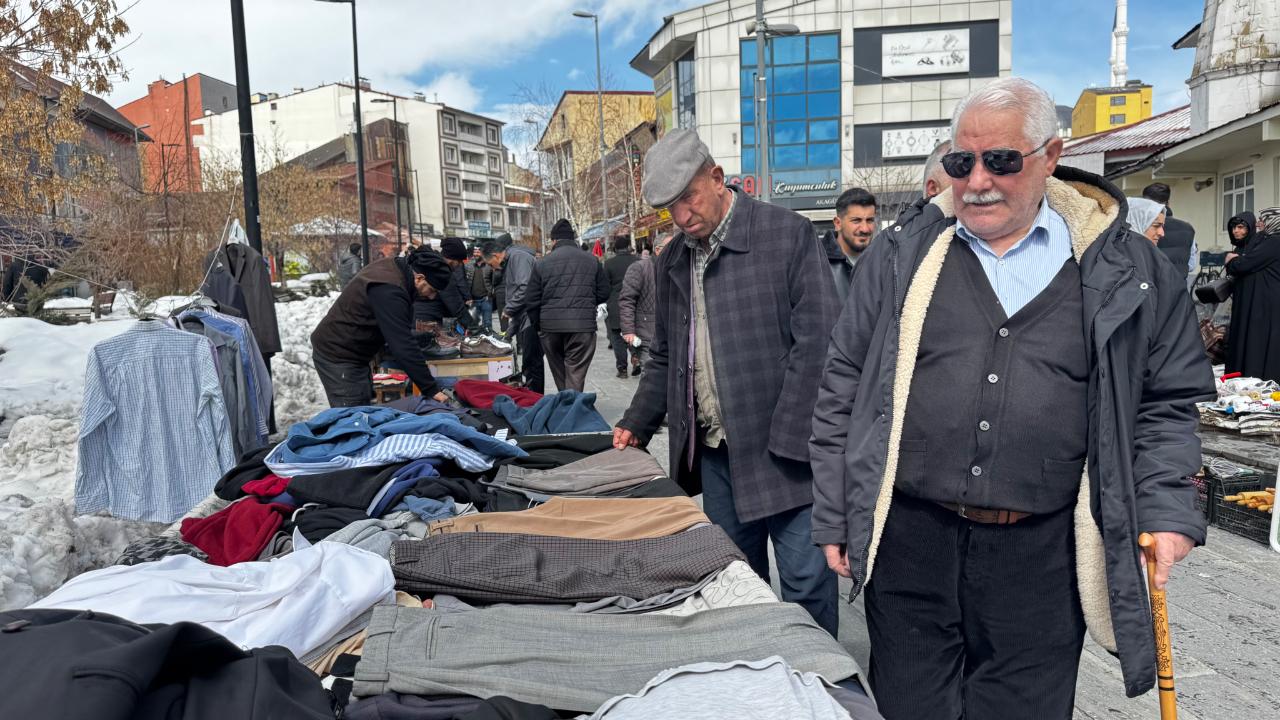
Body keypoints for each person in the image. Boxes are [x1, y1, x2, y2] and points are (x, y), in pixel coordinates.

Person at [809, 77, 1213, 718]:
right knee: (909, 704)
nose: (976, 181)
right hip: (911, 539)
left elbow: (1165, 402)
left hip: (1043, 554)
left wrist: (1166, 508)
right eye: (960, 162)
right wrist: (834, 510)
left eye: (1000, 160)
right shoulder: (900, 255)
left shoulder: (1128, 269)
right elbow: (843, 384)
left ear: (1051, 156)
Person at [614, 128, 842, 637]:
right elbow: (668, 354)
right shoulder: (675, 258)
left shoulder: (786, 233)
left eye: (689, 198)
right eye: (670, 208)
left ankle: (823, 686)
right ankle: (759, 680)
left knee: (805, 582)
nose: (682, 217)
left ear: (717, 178)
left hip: (787, 450)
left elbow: (820, 344)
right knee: (738, 580)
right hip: (716, 452)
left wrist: (792, 434)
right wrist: (637, 421)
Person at [310, 247, 454, 406]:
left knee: (362, 407)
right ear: (419, 278)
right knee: (353, 417)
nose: (432, 296)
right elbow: (402, 344)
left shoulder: (397, 269)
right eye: (432, 290)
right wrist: (432, 389)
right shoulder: (390, 289)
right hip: (338, 354)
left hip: (354, 353)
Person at [523, 219, 610, 392]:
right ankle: (572, 405)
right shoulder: (592, 261)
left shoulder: (542, 263)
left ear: (554, 240)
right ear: (573, 239)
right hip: (582, 326)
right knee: (576, 371)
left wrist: (538, 325)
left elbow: (531, 299)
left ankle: (567, 403)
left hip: (550, 326)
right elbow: (604, 292)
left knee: (559, 372)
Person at [1224, 208, 1280, 382]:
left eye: (1264, 219)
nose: (1259, 223)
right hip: (1261, 301)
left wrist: (1231, 260)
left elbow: (1244, 264)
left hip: (1265, 303)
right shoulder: (1267, 241)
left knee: (1259, 342)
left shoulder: (1275, 242)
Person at [485, 238, 544, 392]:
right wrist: (508, 334)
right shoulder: (511, 261)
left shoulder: (517, 257)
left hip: (533, 318)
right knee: (528, 363)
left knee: (532, 363)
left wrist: (509, 308)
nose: (493, 269)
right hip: (526, 319)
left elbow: (525, 289)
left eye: (491, 264)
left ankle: (536, 400)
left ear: (496, 255)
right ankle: (532, 398)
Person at [618, 234, 671, 376]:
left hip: (672, 332)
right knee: (651, 377)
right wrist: (628, 330)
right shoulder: (640, 268)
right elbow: (627, 299)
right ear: (658, 250)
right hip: (647, 332)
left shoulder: (676, 267)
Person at [416, 237, 480, 336]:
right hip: (426, 321)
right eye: (458, 261)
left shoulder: (433, 264)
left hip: (423, 318)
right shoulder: (441, 271)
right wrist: (474, 328)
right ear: (450, 258)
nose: (459, 265)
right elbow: (454, 303)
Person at [825, 188, 877, 303]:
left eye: (869, 220)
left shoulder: (884, 261)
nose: (865, 229)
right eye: (856, 221)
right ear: (838, 223)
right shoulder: (817, 262)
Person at [1143, 182, 1198, 286]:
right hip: (1179, 290)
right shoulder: (1188, 229)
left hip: (1149, 289)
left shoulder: (1141, 227)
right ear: (1168, 203)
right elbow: (1191, 265)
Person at [604, 235, 643, 378]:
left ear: (615, 249)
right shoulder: (638, 261)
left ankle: (622, 368)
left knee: (617, 337)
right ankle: (636, 357)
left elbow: (605, 286)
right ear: (628, 247)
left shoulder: (609, 264)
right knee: (634, 332)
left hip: (615, 304)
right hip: (635, 303)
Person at [466, 245, 495, 332]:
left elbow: (494, 281)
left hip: (486, 299)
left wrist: (491, 293)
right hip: (472, 300)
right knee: (473, 325)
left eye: (478, 252)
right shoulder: (468, 266)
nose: (475, 254)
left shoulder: (489, 266)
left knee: (487, 325)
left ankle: (488, 342)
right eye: (474, 252)